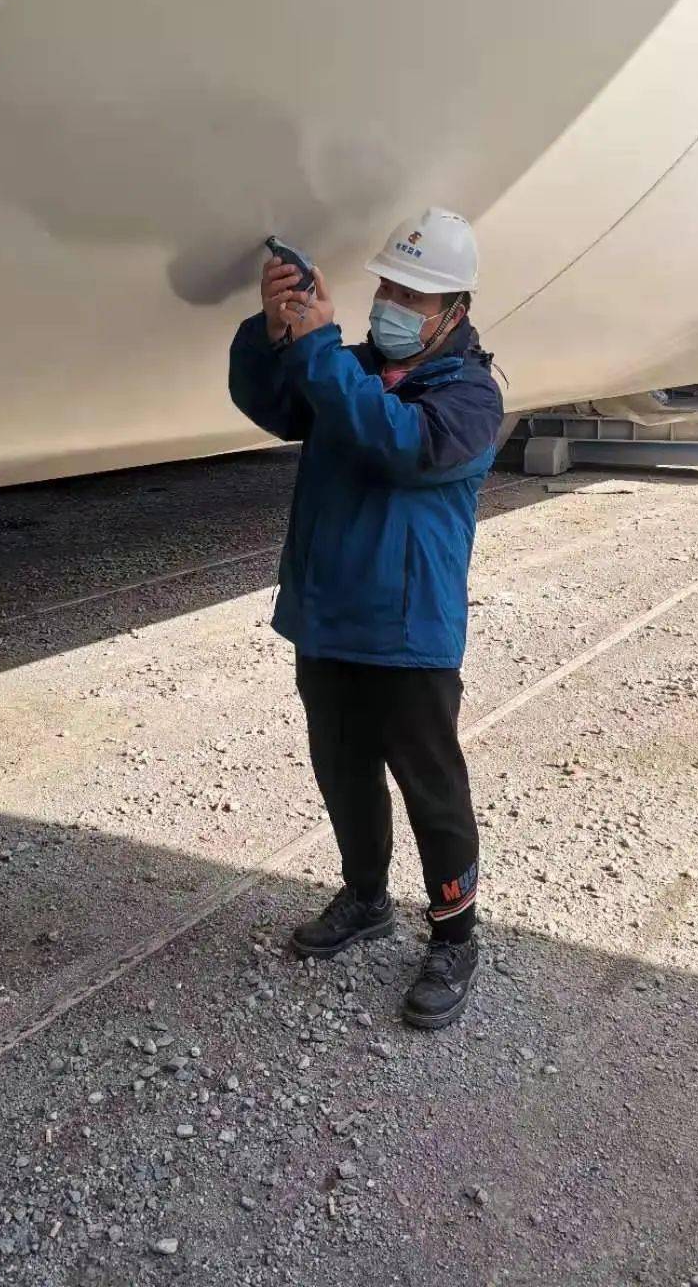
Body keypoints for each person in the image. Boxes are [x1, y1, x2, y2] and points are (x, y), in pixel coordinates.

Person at [229, 208, 503, 1029]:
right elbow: (275, 404)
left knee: (431, 786)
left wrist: (318, 351)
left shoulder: (469, 400)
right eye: (386, 284)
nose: (390, 302)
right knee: (342, 767)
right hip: (331, 617)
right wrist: (272, 331)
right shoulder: (350, 370)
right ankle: (365, 895)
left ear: (452, 310)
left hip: (408, 631)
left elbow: (393, 443)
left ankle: (455, 934)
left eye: (411, 294)